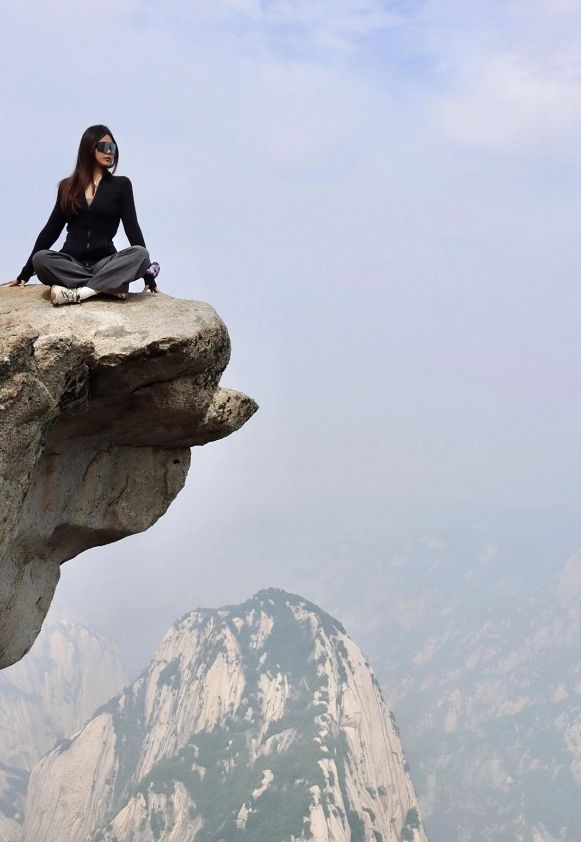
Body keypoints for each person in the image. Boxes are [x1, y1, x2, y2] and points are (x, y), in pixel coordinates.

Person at [6, 124, 160, 305]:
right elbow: (51, 230)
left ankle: (80, 293)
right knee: (41, 259)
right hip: (71, 263)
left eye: (113, 148)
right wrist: (26, 272)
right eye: (103, 147)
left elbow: (132, 228)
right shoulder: (67, 187)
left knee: (140, 254)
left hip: (104, 263)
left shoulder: (121, 185)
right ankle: (109, 286)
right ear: (89, 148)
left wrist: (148, 276)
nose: (109, 152)